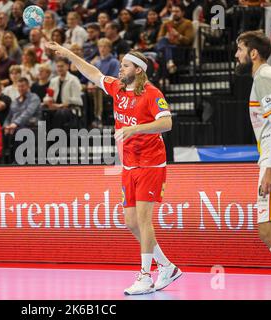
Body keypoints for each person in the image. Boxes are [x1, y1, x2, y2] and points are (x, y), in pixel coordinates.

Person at [46, 41, 181, 294]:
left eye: (125, 66)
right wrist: (68, 54)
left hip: (151, 163)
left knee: (143, 220)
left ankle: (145, 276)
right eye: (120, 65)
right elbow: (93, 73)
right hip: (128, 164)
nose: (120, 69)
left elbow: (166, 123)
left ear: (138, 70)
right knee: (131, 222)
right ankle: (166, 266)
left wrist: (134, 128)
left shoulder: (152, 93)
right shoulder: (118, 88)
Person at [235, 30, 271, 281]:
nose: (236, 55)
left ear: (253, 53)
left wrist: (270, 169)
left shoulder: (263, 77)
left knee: (268, 229)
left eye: (239, 49)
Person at [44, 57, 83, 130]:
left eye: (62, 66)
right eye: (58, 66)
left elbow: (78, 100)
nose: (59, 69)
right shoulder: (53, 81)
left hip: (70, 110)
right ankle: (46, 138)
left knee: (60, 113)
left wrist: (62, 105)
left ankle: (57, 137)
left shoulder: (73, 80)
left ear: (67, 67)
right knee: (43, 112)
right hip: (55, 108)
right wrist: (48, 101)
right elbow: (47, 96)